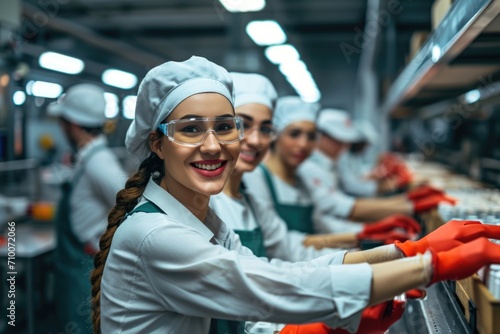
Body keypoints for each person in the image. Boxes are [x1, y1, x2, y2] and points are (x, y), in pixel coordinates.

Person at [90, 56, 500, 334]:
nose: (214, 145)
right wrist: (431, 265)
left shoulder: (203, 218)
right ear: (157, 144)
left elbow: (281, 270)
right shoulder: (155, 236)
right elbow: (268, 290)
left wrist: (406, 250)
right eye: (191, 129)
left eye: (226, 126)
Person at [211, 73, 419, 262]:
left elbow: (292, 245)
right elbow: (265, 272)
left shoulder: (251, 197)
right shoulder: (233, 193)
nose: (303, 145)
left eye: (265, 129)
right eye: (242, 125)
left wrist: (370, 241)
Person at [47, 83, 127, 333]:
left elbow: (131, 207)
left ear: (72, 123)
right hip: (74, 266)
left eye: (62, 122)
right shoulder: (88, 157)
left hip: (84, 267)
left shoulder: (99, 163)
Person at [296, 108, 456, 228]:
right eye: (339, 141)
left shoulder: (331, 161)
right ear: (321, 136)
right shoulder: (310, 167)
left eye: (346, 141)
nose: (344, 146)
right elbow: (342, 204)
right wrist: (409, 205)